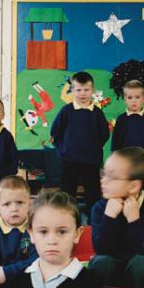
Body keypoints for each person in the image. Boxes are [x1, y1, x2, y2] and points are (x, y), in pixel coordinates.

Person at [87, 147, 144, 288]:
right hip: (110, 266)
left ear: (133, 186)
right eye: (103, 174)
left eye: (111, 177)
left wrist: (134, 220)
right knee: (102, 262)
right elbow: (101, 249)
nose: (103, 180)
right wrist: (109, 217)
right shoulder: (99, 208)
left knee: (141, 264)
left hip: (138, 270)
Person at [49, 71, 110, 210]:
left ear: (92, 91)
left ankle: (92, 221)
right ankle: (66, 220)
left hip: (91, 161)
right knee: (67, 194)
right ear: (72, 90)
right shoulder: (66, 111)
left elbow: (104, 134)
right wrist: (64, 148)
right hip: (69, 160)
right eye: (78, 90)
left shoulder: (97, 113)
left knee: (93, 193)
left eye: (86, 90)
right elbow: (55, 131)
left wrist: (93, 147)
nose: (82, 93)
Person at [0, 175, 37, 284]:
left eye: (20, 203)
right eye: (7, 204)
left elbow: (36, 262)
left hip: (29, 282)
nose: (14, 209)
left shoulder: (35, 228)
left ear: (29, 205)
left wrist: (8, 271)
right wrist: (18, 269)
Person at [111, 79, 144, 155]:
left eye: (137, 97)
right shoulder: (121, 119)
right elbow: (115, 143)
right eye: (130, 97)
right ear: (124, 99)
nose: (134, 101)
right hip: (125, 160)